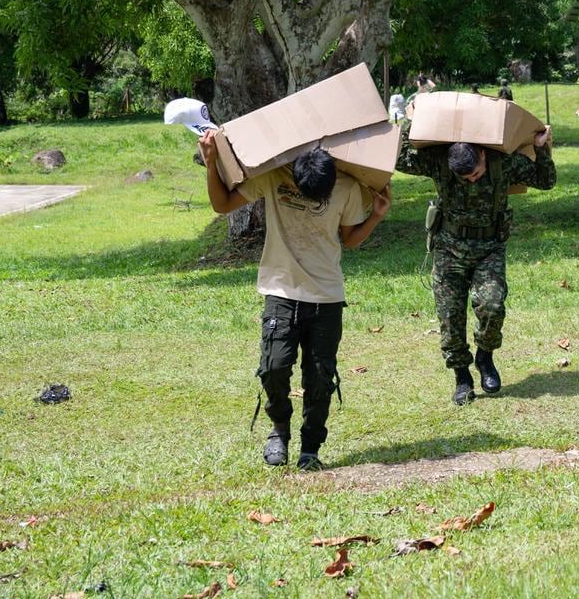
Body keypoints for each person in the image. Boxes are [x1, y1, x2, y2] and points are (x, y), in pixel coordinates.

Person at [199, 132, 392, 471]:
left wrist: (375, 216)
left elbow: (350, 240)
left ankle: (310, 448)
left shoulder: (346, 186)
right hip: (281, 292)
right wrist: (211, 162)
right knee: (274, 368)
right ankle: (278, 430)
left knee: (320, 378)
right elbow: (222, 204)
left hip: (326, 298)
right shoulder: (275, 175)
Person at [396, 123, 556, 405]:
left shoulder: (502, 164)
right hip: (449, 248)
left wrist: (542, 147)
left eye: (475, 174)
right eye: (465, 177)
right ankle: (462, 377)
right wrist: (410, 122)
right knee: (450, 316)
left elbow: (546, 180)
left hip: (489, 247)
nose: (471, 180)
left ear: (482, 154)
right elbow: (399, 158)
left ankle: (485, 356)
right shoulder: (439, 162)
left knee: (492, 305)